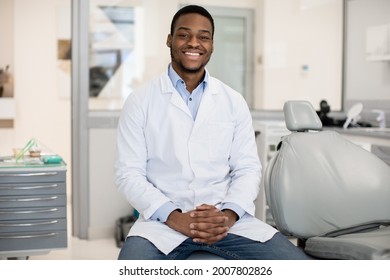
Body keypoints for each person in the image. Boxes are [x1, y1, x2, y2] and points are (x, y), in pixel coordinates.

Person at [115, 4, 310, 260]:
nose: (194, 43)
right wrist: (174, 217)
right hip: (161, 225)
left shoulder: (232, 101)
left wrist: (227, 216)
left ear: (212, 44)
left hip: (226, 222)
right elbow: (129, 174)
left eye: (203, 37)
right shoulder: (140, 101)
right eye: (184, 35)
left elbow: (247, 169)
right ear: (170, 40)